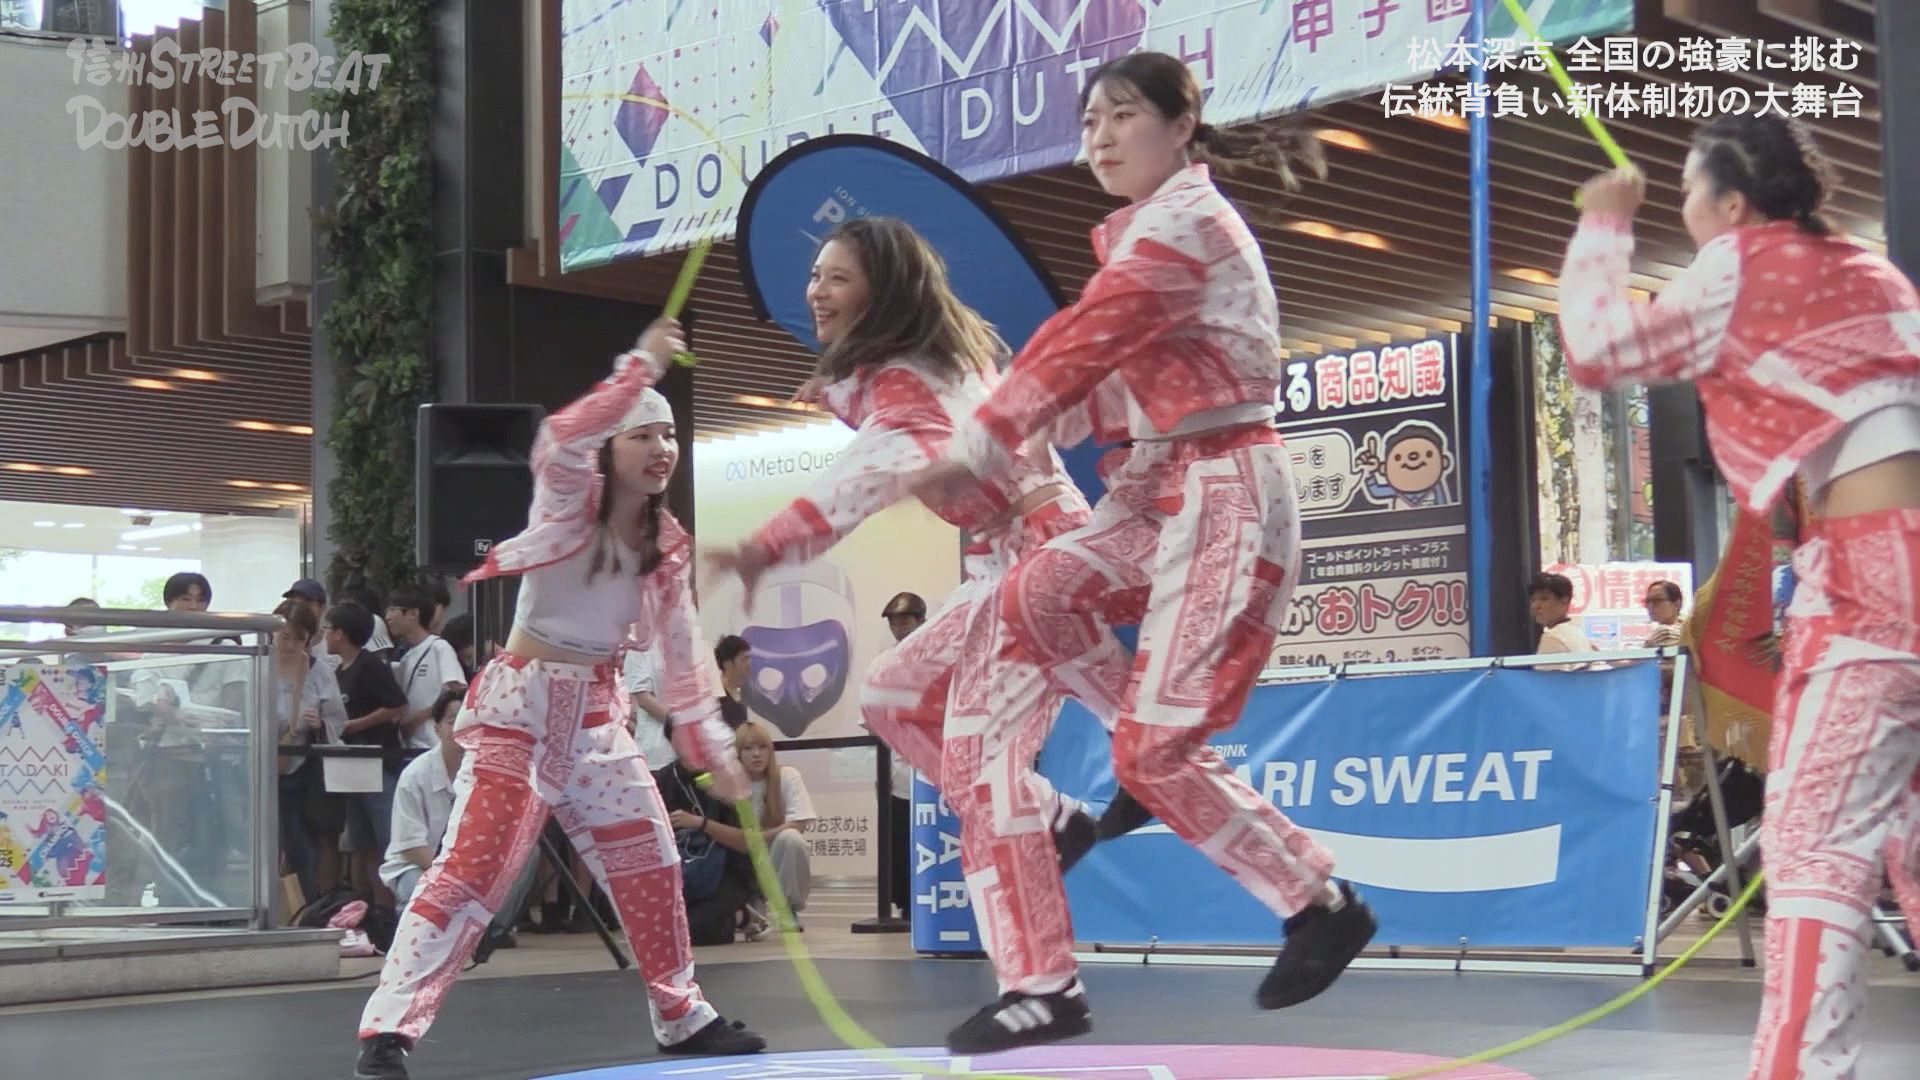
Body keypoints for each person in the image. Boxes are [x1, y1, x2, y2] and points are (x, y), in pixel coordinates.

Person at [904, 51, 1376, 1051]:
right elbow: (1094, 377)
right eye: (1089, 123)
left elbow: (1087, 339)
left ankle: (1317, 901)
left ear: (1182, 123)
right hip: (1155, 484)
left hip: (1226, 489)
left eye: (1121, 115)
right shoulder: (1140, 237)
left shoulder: (1183, 226)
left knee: (1149, 749)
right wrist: (999, 427)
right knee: (1032, 598)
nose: (1101, 137)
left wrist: (987, 431)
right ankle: (1066, 907)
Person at [704, 216, 1147, 1011]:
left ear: (883, 293)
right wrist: (839, 387)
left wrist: (763, 548)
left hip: (1035, 555)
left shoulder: (908, 385)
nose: (815, 291)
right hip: (1003, 557)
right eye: (816, 275)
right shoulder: (930, 361)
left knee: (985, 765)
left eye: (837, 277)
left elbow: (866, 473)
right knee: (890, 695)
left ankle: (1042, 975)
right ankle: (1064, 817)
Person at [1555, 114, 1920, 1080]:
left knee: (1812, 846)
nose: (1683, 206)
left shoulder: (1741, 263)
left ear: (1730, 203)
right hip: (1889, 559)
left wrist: (1606, 222)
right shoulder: (1872, 273)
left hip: (1875, 574)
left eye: (1687, 191)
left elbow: (1596, 349)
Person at [353, 318, 765, 1079]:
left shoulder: (666, 544)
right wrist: (640, 368)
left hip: (599, 720)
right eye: (643, 435)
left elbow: (683, 657)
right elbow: (560, 438)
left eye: (669, 436)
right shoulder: (568, 497)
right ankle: (389, 1029)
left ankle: (681, 1015)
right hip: (523, 713)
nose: (662, 449)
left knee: (652, 863)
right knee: (471, 870)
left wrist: (712, 744)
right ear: (610, 446)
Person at [733, 720, 815, 933]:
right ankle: (748, 904)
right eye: (748, 748)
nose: (757, 754)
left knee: (792, 839)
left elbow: (799, 823)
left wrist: (761, 837)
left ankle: (787, 909)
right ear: (738, 754)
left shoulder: (787, 776)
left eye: (762, 747)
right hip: (740, 858)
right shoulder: (728, 784)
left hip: (773, 855)